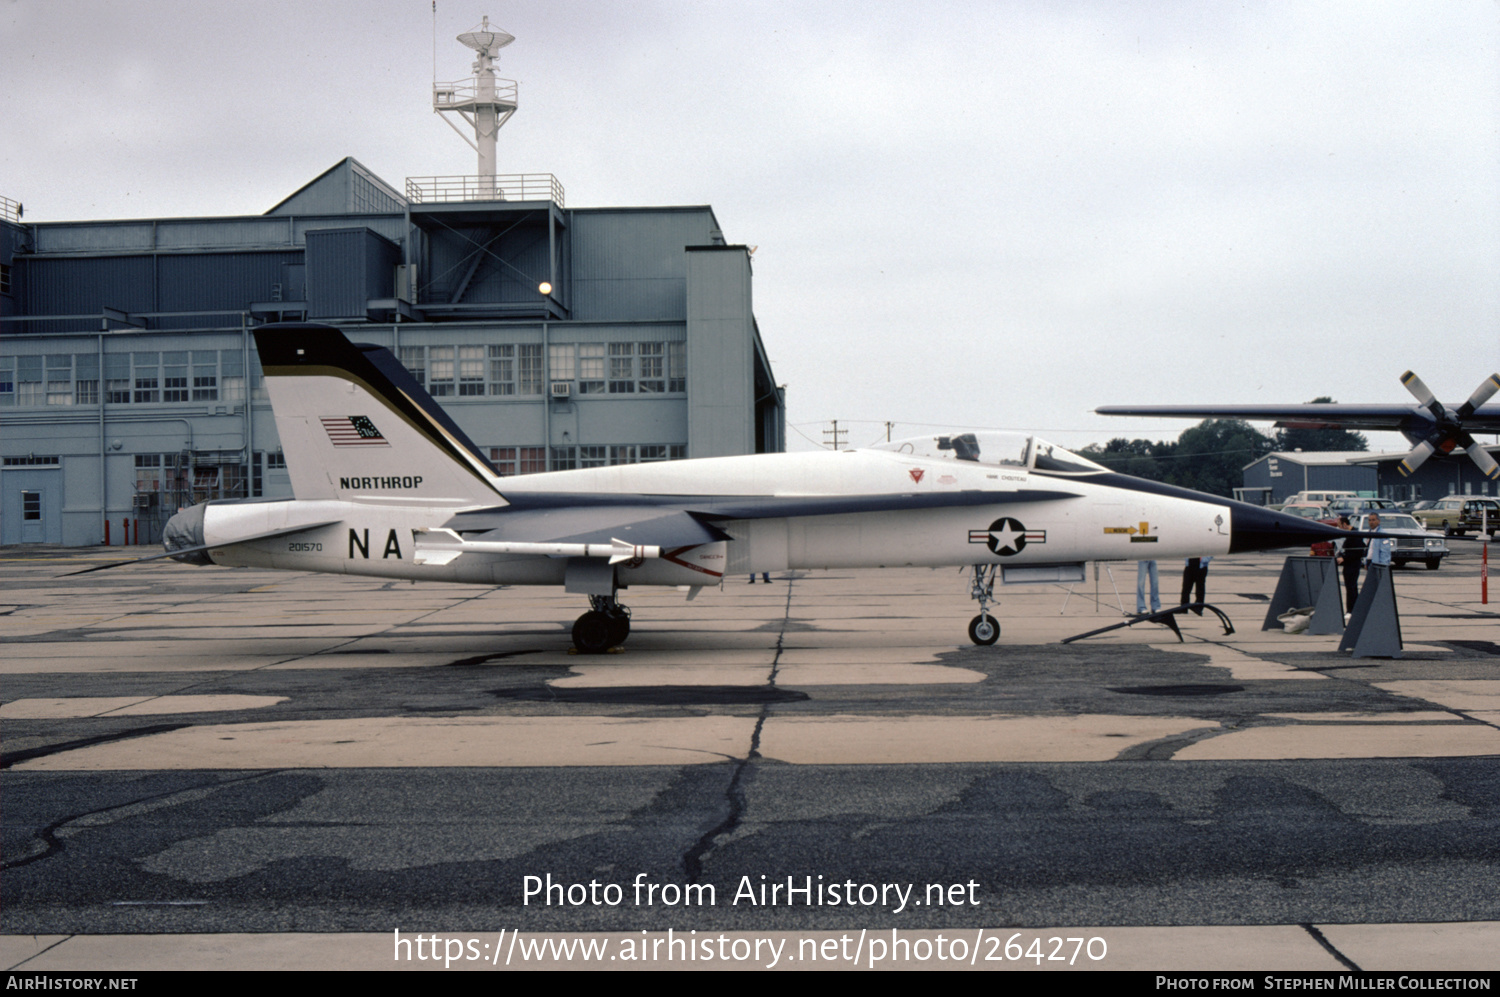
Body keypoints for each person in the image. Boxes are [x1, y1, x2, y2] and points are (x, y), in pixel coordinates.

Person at [1334, 514, 1365, 614]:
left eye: (1339, 525)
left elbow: (1358, 552)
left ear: (1344, 524)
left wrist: (1344, 557)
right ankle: (1352, 608)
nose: (1338, 528)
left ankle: (1351, 609)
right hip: (1349, 564)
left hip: (1352, 565)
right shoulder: (1349, 535)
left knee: (1351, 587)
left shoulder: (1354, 534)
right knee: (1350, 587)